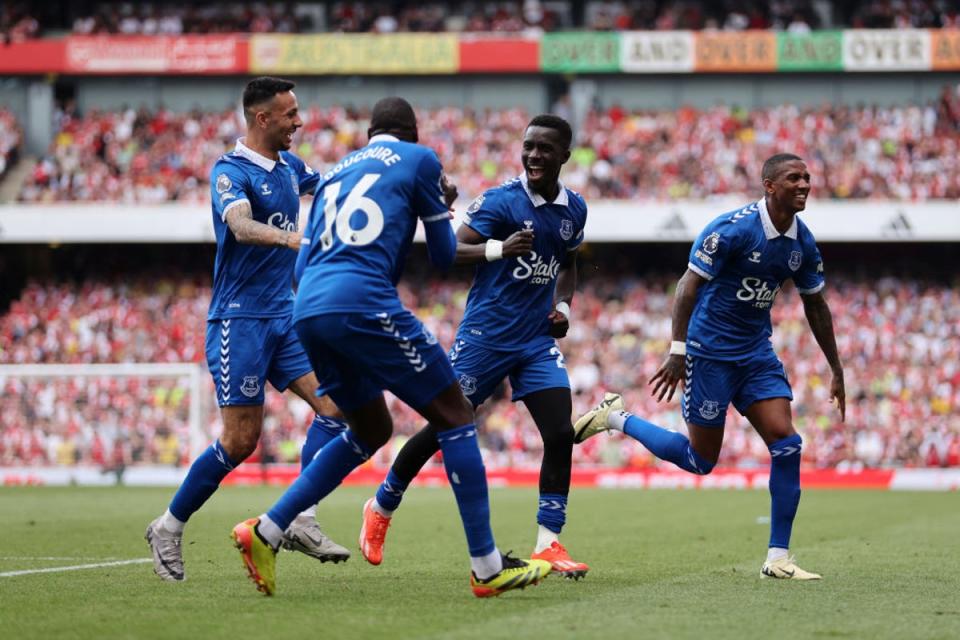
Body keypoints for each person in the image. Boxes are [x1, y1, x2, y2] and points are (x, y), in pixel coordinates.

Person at [229, 96, 552, 597]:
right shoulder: (419, 160)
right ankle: (487, 567)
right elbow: (445, 256)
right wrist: (441, 206)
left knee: (373, 426)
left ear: (370, 135)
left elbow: (299, 266)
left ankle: (267, 530)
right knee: (453, 412)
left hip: (308, 308)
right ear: (413, 133)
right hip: (363, 302)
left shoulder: (335, 173)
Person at [574, 153, 845, 581]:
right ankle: (615, 416)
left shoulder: (803, 244)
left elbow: (817, 305)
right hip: (709, 353)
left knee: (787, 442)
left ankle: (777, 558)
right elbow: (687, 286)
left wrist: (836, 367)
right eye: (794, 177)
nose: (805, 184)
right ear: (769, 185)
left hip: (756, 354)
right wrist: (678, 351)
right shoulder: (732, 229)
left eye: (808, 177)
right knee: (701, 461)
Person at [359, 114, 591, 579]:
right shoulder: (500, 202)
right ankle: (382, 504)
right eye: (528, 147)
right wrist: (498, 249)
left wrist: (562, 306)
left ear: (564, 155)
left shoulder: (575, 209)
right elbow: (445, 251)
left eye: (545, 149)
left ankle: (548, 543)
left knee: (560, 433)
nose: (533, 156)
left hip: (534, 340)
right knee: (447, 424)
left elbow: (568, 264)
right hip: (485, 336)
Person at [145, 77, 351, 582]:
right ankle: (169, 526)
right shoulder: (228, 172)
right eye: (290, 114)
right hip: (239, 320)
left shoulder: (290, 167)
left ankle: (302, 518)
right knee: (240, 442)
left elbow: (334, 183)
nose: (299, 122)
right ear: (263, 119)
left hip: (284, 316)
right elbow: (239, 225)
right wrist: (297, 241)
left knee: (338, 407)